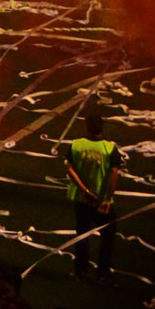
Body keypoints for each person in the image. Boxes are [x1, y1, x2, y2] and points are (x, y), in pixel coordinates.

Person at [62, 110, 120, 278]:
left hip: (82, 199)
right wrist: (108, 199)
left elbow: (70, 170)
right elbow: (113, 174)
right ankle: (103, 271)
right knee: (107, 237)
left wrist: (85, 191)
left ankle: (80, 268)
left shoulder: (76, 145)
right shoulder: (109, 148)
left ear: (86, 127)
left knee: (82, 234)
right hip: (102, 200)